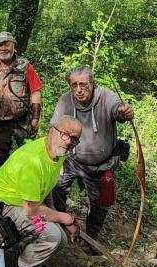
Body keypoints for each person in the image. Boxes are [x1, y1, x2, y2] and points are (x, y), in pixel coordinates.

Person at [0, 115, 82, 267]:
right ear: (51, 131)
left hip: (23, 202)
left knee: (61, 238)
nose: (69, 141)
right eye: (65, 134)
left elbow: (46, 187)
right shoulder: (33, 159)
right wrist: (66, 218)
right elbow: (31, 210)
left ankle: (24, 250)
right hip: (0, 202)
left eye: (74, 139)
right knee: (52, 236)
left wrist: (54, 213)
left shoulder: (58, 153)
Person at [50, 66, 134, 255]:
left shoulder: (106, 96)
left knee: (100, 203)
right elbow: (54, 129)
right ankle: (58, 229)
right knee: (56, 189)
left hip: (101, 165)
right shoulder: (66, 100)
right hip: (72, 159)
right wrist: (55, 160)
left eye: (83, 84)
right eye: (74, 85)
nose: (79, 89)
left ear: (92, 84)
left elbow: (117, 110)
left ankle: (91, 239)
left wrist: (123, 112)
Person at [0, 31, 43, 168]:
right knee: (0, 157)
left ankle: (23, 184)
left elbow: (36, 92)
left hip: (22, 121)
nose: (3, 48)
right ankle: (3, 186)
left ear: (14, 45)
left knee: (26, 155)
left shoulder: (25, 66)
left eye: (6, 44)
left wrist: (35, 119)